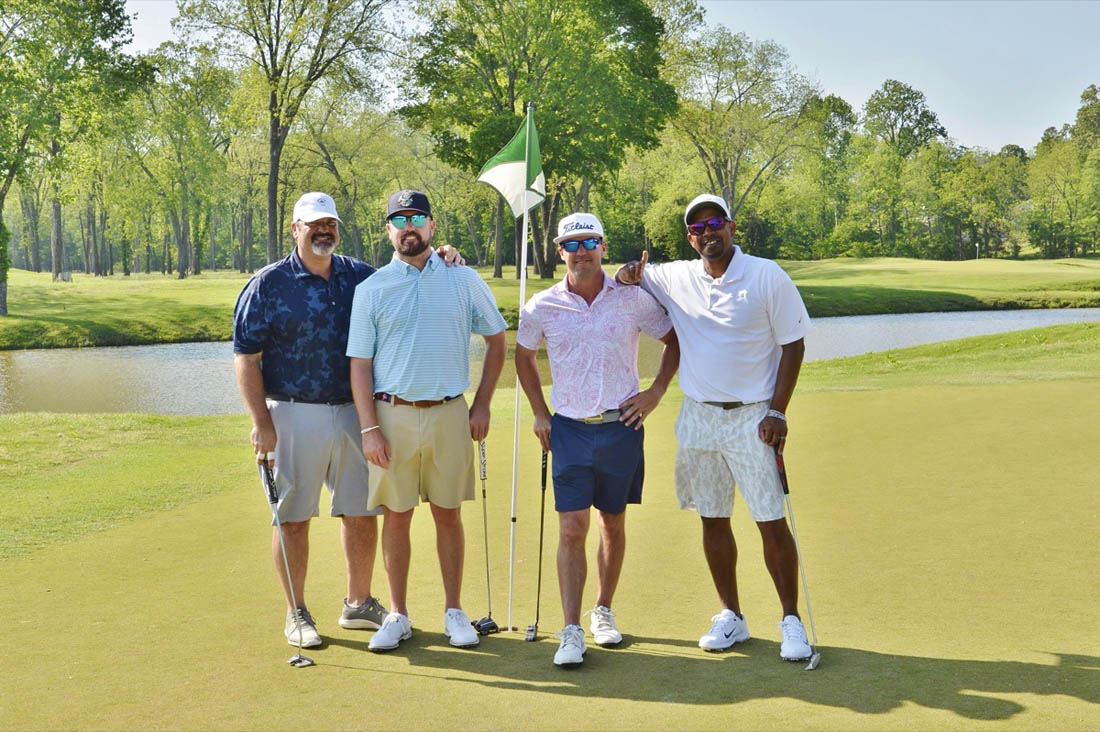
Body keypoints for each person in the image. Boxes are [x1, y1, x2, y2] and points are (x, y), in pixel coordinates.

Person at [233, 191, 463, 649]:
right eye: (313, 224)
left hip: (357, 414)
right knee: (292, 517)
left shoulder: (359, 276)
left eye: (330, 224)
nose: (324, 231)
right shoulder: (268, 283)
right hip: (293, 411)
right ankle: (297, 612)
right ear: (295, 229)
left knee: (361, 513)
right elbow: (245, 357)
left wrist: (443, 256)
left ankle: (358, 603)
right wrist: (261, 422)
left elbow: (408, 274)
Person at [615, 193, 815, 662]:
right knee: (713, 517)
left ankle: (790, 620)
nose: (708, 232)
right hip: (699, 416)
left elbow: (794, 345)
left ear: (731, 227)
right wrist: (626, 272)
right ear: (690, 238)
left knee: (770, 520)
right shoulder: (676, 276)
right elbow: (629, 276)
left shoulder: (766, 275)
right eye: (698, 228)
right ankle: (732, 616)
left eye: (715, 223)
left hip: (754, 416)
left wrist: (778, 411)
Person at [346, 189, 508, 653]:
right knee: (396, 517)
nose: (409, 227)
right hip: (391, 414)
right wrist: (369, 428)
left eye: (417, 218)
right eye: (399, 220)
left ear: (432, 226)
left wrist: (482, 404)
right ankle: (398, 614)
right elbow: (359, 365)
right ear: (388, 230)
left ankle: (454, 611)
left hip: (449, 412)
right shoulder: (371, 288)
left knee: (447, 514)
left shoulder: (463, 278)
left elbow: (497, 340)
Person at [516, 213, 679, 668]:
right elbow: (523, 357)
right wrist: (539, 412)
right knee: (572, 528)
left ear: (603, 246)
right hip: (569, 428)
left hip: (621, 426)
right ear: (560, 251)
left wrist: (655, 392)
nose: (581, 251)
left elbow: (674, 340)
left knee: (612, 522)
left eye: (589, 242)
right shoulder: (542, 306)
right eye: (572, 244)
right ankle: (571, 629)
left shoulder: (632, 298)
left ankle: (602, 610)